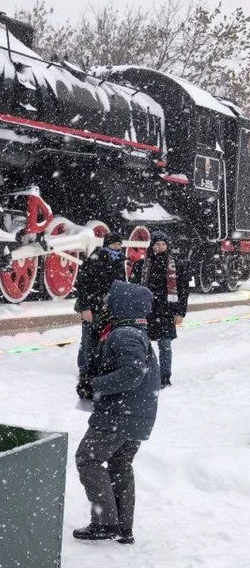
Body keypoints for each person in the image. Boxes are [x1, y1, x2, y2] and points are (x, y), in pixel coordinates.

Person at [73, 281, 159, 544]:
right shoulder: (134, 332)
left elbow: (132, 374)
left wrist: (93, 385)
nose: (105, 305)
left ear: (122, 306)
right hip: (137, 415)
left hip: (120, 414)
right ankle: (123, 526)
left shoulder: (123, 334)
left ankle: (105, 523)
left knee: (87, 459)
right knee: (121, 465)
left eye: (110, 302)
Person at [129, 230, 189, 387]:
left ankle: (164, 377)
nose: (161, 247)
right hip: (146, 311)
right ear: (152, 245)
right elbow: (133, 288)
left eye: (163, 244)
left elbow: (183, 289)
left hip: (166, 311)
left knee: (165, 345)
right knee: (144, 345)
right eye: (157, 244)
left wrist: (180, 312)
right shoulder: (142, 265)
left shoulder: (176, 265)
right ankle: (146, 375)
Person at [74, 233, 127, 399]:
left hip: (109, 308)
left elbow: (121, 285)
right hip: (93, 306)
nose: (117, 247)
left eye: (119, 244)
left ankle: (95, 369)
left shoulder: (119, 261)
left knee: (102, 340)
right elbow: (82, 285)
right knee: (88, 339)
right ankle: (85, 371)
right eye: (114, 245)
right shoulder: (94, 260)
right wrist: (85, 307)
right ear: (107, 245)